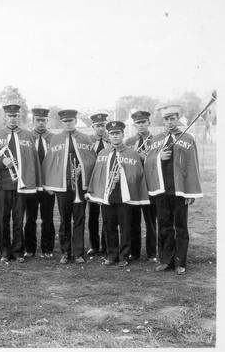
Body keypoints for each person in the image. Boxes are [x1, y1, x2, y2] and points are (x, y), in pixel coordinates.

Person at [144, 104, 202, 275]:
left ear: (177, 119)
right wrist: (158, 157)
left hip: (179, 191)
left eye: (172, 119)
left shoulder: (188, 138)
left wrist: (191, 192)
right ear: (162, 121)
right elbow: (148, 163)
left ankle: (180, 261)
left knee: (181, 226)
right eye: (166, 119)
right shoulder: (156, 140)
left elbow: (193, 166)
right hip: (162, 190)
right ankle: (166, 260)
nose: (170, 122)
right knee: (163, 225)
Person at [86, 121, 149, 267]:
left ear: (122, 134)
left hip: (124, 197)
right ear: (109, 135)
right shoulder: (103, 153)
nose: (115, 136)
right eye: (112, 134)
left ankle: (124, 256)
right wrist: (98, 194)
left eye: (118, 133)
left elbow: (138, 175)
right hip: (108, 196)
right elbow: (97, 175)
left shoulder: (132, 153)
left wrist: (122, 177)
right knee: (109, 226)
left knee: (125, 227)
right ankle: (111, 254)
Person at [0, 104, 41, 263]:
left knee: (18, 218)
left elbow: (33, 160)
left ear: (19, 117)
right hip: (3, 185)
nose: (13, 118)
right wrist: (3, 162)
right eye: (10, 116)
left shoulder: (28, 136)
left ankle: (17, 251)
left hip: (20, 185)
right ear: (5, 117)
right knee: (3, 219)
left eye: (15, 116)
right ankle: (4, 250)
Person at [42, 109, 96, 264]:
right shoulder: (56, 139)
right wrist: (49, 183)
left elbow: (93, 160)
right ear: (62, 123)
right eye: (65, 121)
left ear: (76, 121)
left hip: (80, 185)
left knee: (79, 219)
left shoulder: (85, 138)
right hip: (63, 186)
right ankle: (66, 252)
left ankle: (78, 253)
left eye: (71, 121)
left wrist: (83, 168)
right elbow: (50, 161)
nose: (68, 124)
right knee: (64, 220)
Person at [125, 110, 158, 262]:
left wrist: (147, 158)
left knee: (150, 221)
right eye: (138, 123)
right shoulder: (129, 141)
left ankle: (152, 253)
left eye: (143, 122)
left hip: (150, 185)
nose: (141, 125)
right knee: (133, 220)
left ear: (148, 123)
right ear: (134, 124)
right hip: (134, 186)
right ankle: (134, 252)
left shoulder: (156, 139)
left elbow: (159, 162)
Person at [24, 107, 56, 259]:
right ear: (33, 121)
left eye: (43, 120)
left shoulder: (54, 139)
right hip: (31, 184)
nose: (41, 123)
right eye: (38, 120)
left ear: (47, 121)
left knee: (47, 218)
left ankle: (47, 248)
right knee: (30, 217)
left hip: (48, 185)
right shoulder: (27, 137)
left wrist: (54, 184)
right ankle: (29, 248)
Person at [86, 112, 110, 256]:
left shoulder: (111, 140)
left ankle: (106, 245)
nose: (101, 128)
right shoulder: (88, 141)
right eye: (98, 126)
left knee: (107, 215)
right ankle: (94, 246)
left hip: (107, 182)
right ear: (93, 126)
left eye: (103, 125)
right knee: (93, 215)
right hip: (93, 183)